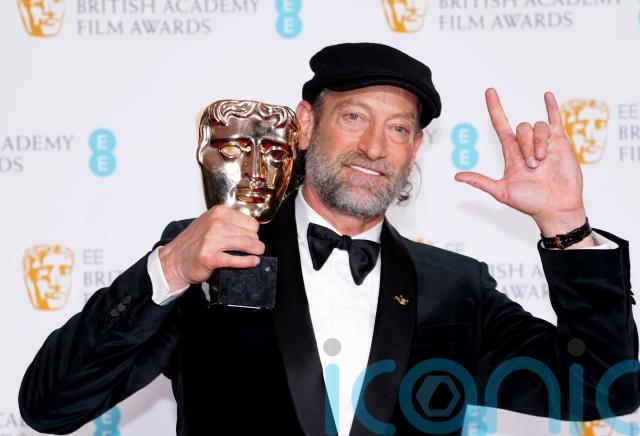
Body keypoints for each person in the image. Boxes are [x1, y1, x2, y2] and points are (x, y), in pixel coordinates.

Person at [19, 42, 639, 436]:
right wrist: (169, 271)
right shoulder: (209, 257)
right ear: (306, 123)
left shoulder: (455, 288)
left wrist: (568, 228)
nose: (374, 147)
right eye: (354, 117)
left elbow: (607, 387)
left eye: (398, 128)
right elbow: (51, 406)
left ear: (415, 149)